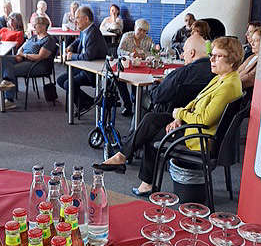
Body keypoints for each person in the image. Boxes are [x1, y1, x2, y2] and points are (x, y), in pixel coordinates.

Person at [94, 36, 243, 196]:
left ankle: (142, 178)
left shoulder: (228, 86)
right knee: (151, 118)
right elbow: (196, 101)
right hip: (192, 125)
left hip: (199, 137)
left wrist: (179, 114)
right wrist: (179, 117)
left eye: (218, 56)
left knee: (151, 136)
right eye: (212, 55)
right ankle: (122, 156)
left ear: (232, 60)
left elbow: (204, 120)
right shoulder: (222, 78)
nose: (211, 59)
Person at [0, 16, 57, 110]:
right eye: (34, 25)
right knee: (3, 59)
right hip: (25, 59)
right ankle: (7, 81)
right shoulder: (34, 37)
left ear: (44, 26)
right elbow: (22, 47)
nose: (34, 27)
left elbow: (39, 57)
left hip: (38, 64)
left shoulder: (49, 40)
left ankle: (9, 99)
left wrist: (24, 55)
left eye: (36, 25)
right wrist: (19, 54)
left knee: (11, 69)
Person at [57, 5, 108, 111]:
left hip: (92, 71)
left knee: (68, 83)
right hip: (83, 67)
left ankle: (86, 102)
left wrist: (72, 56)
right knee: (60, 80)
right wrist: (71, 46)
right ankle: (86, 102)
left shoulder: (93, 33)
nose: (75, 21)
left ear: (86, 19)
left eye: (77, 18)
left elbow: (88, 56)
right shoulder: (85, 30)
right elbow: (79, 40)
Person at [150, 34, 214, 113]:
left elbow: (156, 96)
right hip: (200, 114)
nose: (183, 55)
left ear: (192, 53)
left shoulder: (183, 73)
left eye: (184, 51)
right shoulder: (216, 72)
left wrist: (156, 83)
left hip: (172, 115)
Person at [238, 26, 261, 91]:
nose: (252, 44)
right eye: (252, 40)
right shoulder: (251, 57)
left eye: (256, 41)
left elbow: (249, 79)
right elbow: (236, 72)